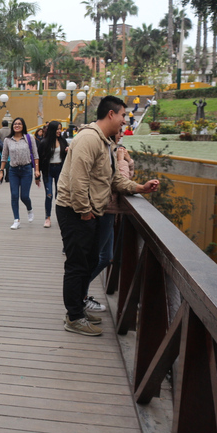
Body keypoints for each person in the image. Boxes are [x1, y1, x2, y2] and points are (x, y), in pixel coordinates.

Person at [55, 96, 159, 336]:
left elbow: (111, 178)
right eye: (123, 115)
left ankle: (78, 310)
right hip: (75, 211)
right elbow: (77, 179)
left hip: (89, 211)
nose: (125, 120)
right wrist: (84, 212)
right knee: (77, 264)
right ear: (111, 114)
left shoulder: (106, 143)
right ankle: (73, 317)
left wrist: (139, 188)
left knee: (89, 261)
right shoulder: (89, 139)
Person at [85, 129, 135, 312]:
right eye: (119, 131)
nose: (121, 133)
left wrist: (128, 161)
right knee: (98, 257)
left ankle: (80, 292)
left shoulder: (115, 149)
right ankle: (79, 294)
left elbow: (129, 178)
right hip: (104, 209)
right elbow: (122, 180)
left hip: (110, 211)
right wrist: (123, 161)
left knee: (106, 257)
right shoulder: (108, 151)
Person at [0, 117, 40, 230]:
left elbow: (36, 155)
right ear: (12, 126)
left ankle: (29, 208)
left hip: (26, 169)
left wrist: (36, 170)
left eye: (19, 124)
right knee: (14, 195)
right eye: (15, 124)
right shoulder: (7, 140)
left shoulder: (29, 138)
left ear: (23, 126)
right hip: (13, 170)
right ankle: (16, 220)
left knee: (24, 196)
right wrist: (1, 171)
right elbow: (4, 156)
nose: (17, 125)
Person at [37, 120, 68, 229]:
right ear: (52, 130)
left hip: (60, 169)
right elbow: (39, 159)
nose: (59, 131)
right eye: (58, 129)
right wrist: (37, 175)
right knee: (49, 194)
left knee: (59, 195)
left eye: (60, 129)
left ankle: (60, 217)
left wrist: (68, 150)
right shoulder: (44, 143)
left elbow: (68, 155)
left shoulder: (63, 141)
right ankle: (47, 217)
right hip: (48, 170)